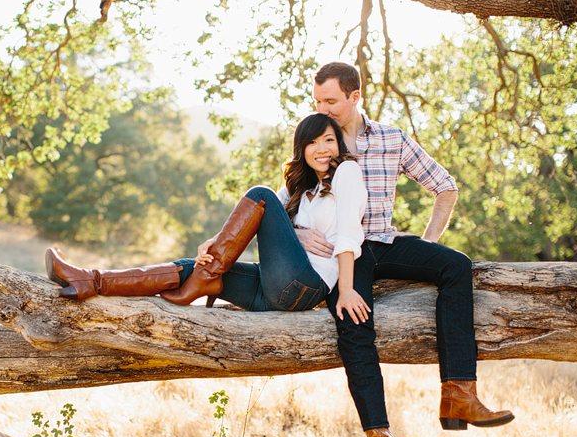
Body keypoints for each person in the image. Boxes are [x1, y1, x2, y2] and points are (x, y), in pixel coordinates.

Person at [302, 62, 514, 437]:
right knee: (354, 324)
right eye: (317, 100)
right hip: (346, 252)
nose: (322, 107)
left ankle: (459, 394)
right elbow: (293, 197)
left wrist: (429, 242)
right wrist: (302, 233)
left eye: (331, 100)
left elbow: (445, 186)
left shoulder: (391, 138)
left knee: (456, 265)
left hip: (386, 240)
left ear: (354, 97)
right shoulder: (318, 138)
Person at [46, 113, 368, 321]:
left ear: (339, 143)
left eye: (329, 139)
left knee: (261, 194)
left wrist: (348, 290)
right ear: (302, 149)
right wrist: (215, 242)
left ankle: (206, 276)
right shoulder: (298, 188)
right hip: (271, 290)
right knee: (191, 267)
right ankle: (90, 280)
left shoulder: (347, 172)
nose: (322, 148)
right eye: (312, 142)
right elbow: (254, 221)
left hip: (304, 285)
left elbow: (349, 236)